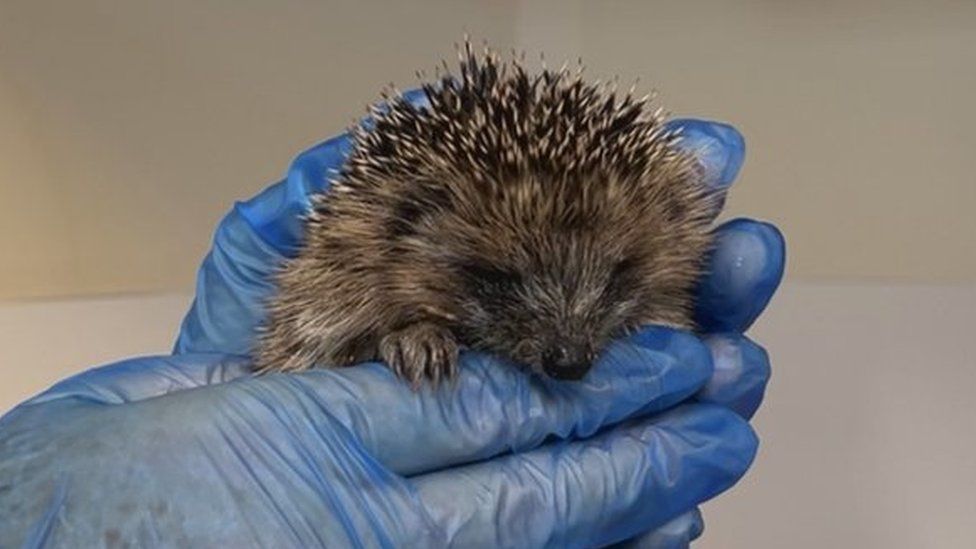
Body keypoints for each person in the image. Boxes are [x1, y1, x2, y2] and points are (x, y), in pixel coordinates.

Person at [0, 89, 784, 548]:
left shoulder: (657, 241)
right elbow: (307, 345)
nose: (572, 348)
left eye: (615, 277)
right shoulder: (357, 258)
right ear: (403, 228)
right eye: (501, 283)